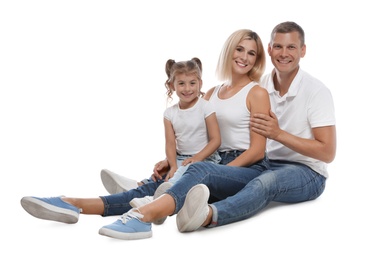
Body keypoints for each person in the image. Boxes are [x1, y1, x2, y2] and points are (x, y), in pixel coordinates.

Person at [20, 28, 271, 240]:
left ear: (257, 59)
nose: (244, 57)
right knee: (151, 186)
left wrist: (214, 171)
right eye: (240, 49)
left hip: (243, 167)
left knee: (191, 174)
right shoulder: (211, 92)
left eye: (252, 53)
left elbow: (258, 150)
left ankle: (145, 216)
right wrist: (172, 162)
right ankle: (73, 203)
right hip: (208, 160)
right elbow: (197, 135)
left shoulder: (256, 93)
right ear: (229, 51)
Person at [96, 21, 336, 240]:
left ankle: (203, 214)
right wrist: (174, 160)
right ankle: (140, 191)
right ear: (270, 50)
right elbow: (220, 134)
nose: (284, 53)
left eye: (292, 47)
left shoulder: (316, 91)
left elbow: (327, 153)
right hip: (264, 161)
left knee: (264, 183)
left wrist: (278, 134)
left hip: (306, 172)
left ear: (303, 51)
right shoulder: (259, 85)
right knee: (197, 176)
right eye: (279, 47)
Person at [20, 57, 222, 225]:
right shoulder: (170, 113)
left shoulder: (205, 107)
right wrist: (171, 164)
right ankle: (140, 189)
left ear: (200, 83)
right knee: (164, 177)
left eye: (192, 83)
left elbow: (215, 140)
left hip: (205, 160)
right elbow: (171, 145)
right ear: (172, 85)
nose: (187, 89)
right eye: (181, 83)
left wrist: (195, 159)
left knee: (179, 176)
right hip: (181, 158)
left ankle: (151, 202)